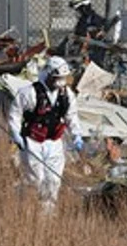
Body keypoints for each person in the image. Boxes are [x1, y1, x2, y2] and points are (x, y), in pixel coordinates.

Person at [8, 56, 84, 213]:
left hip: (55, 142)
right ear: (49, 74)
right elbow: (15, 113)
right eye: (57, 78)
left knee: (53, 180)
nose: (60, 82)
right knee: (36, 180)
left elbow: (72, 115)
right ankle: (19, 199)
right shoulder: (30, 93)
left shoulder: (66, 95)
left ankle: (47, 214)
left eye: (63, 78)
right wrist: (16, 134)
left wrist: (77, 135)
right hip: (33, 141)